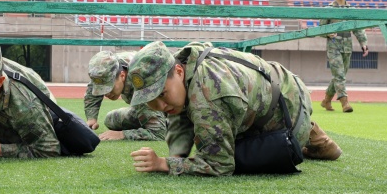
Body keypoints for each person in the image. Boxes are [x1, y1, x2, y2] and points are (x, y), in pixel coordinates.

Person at [127, 41, 343, 176]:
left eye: (162, 94)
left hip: (288, 116)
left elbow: (220, 165)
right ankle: (316, 136)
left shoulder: (207, 94)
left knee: (238, 154)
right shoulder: (188, 58)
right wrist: (178, 154)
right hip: (286, 88)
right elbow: (180, 115)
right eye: (151, 100)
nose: (161, 107)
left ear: (178, 72)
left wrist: (166, 164)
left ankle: (304, 137)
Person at [84, 50, 166, 141]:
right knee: (111, 119)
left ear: (122, 76)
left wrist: (122, 134)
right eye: (102, 89)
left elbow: (159, 133)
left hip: (170, 110)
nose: (106, 93)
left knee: (158, 126)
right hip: (145, 105)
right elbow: (93, 88)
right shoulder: (105, 69)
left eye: (109, 87)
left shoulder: (141, 79)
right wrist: (91, 118)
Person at [320, 0, 369, 113]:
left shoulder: (351, 10)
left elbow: (358, 28)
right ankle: (344, 102)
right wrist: (327, 34)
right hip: (333, 46)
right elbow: (321, 28)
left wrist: (363, 43)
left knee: (339, 76)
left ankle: (326, 100)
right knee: (340, 75)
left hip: (347, 46)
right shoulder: (329, 9)